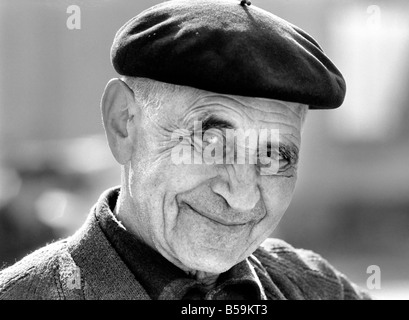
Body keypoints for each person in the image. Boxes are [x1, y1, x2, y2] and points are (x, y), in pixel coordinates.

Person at [0, 0, 369, 300]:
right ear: (123, 123)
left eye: (273, 156)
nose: (241, 197)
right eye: (210, 143)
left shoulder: (319, 290)